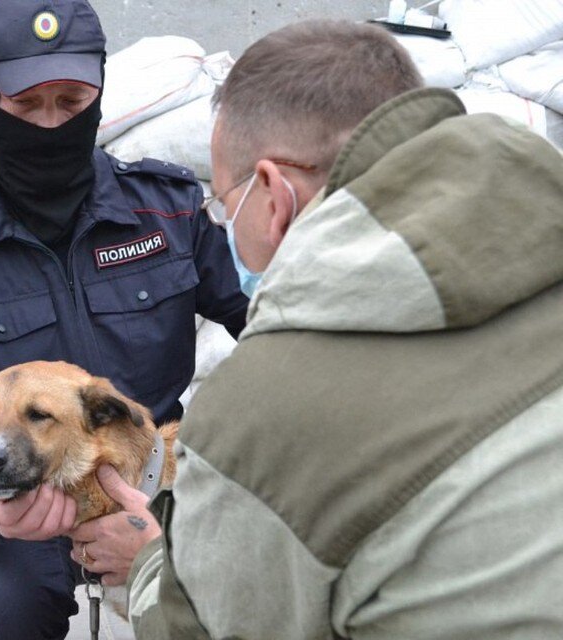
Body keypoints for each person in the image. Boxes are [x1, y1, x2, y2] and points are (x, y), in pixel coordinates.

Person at [103, 19, 563, 639]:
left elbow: (203, 627)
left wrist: (152, 562)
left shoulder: (262, 408)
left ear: (271, 192)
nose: (220, 228)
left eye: (220, 204)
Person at [0, 0, 250, 637]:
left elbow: (271, 327)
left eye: (71, 103)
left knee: (260, 587)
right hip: (11, 508)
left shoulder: (166, 214)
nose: (51, 124)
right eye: (28, 106)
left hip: (155, 486)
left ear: (100, 95)